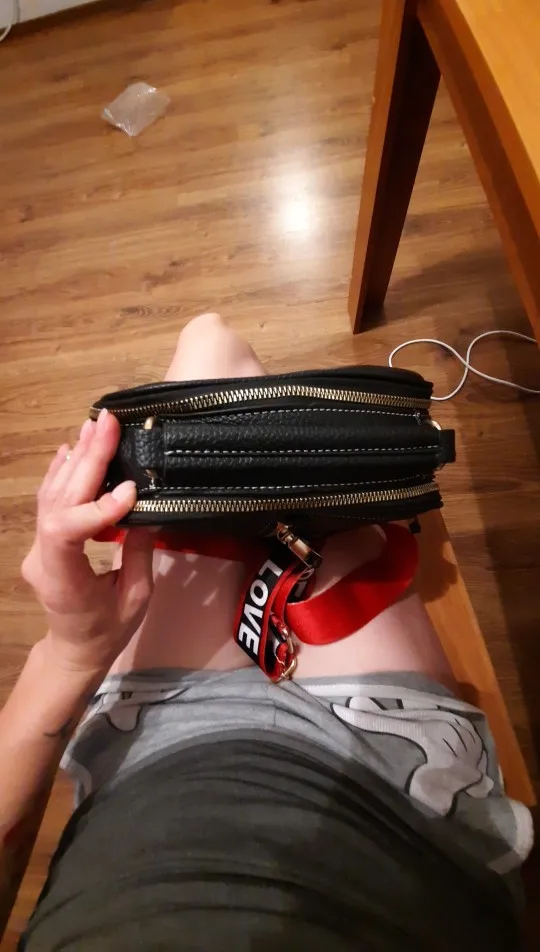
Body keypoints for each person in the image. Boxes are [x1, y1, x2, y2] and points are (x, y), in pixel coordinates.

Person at [0, 314, 532, 950]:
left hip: (150, 739)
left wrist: (72, 653)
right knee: (222, 359)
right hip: (395, 772)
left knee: (210, 345)